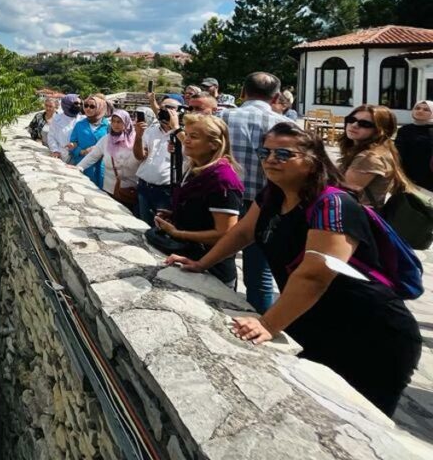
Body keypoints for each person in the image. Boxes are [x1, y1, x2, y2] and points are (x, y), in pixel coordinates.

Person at [166, 123, 421, 417]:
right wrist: (201, 264)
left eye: (284, 153)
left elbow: (315, 275)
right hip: (311, 319)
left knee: (352, 420)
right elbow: (241, 234)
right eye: (266, 152)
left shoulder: (333, 204)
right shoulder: (272, 196)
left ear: (312, 159)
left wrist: (268, 324)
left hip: (371, 333)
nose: (271, 159)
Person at [151, 115, 241, 286]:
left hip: (213, 269)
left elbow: (226, 234)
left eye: (194, 137)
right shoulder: (196, 168)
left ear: (214, 144)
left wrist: (177, 233)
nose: (186, 140)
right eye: (187, 134)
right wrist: (177, 214)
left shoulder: (222, 179)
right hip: (189, 258)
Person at [222, 72, 283, 313]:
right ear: (276, 96)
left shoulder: (224, 115)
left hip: (225, 199)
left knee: (222, 262)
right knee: (259, 274)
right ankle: (259, 321)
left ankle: (224, 310)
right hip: (264, 203)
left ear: (242, 92)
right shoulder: (283, 124)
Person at [337, 105, 410, 207]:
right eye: (351, 119)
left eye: (364, 124)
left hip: (355, 216)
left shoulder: (368, 158)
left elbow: (340, 193)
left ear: (380, 130)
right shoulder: (379, 150)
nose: (354, 125)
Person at [76, 109, 140, 208]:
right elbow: (93, 156)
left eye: (119, 122)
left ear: (126, 122)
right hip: (109, 188)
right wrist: (79, 167)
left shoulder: (136, 140)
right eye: (113, 121)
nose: (115, 124)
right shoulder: (106, 139)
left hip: (129, 189)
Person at [133, 97, 180, 224]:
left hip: (166, 191)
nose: (165, 111)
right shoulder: (151, 130)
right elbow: (139, 156)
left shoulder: (183, 134)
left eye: (170, 108)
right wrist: (138, 136)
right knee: (143, 224)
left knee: (162, 227)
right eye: (163, 108)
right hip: (144, 186)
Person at [68, 95, 109, 188]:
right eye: (86, 105)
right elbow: (73, 144)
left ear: (100, 107)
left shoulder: (108, 126)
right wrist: (81, 151)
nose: (88, 109)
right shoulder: (79, 125)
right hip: (82, 164)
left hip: (101, 166)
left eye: (92, 106)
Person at [395, 100, 433, 193]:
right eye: (417, 108)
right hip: (407, 176)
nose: (420, 111)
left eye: (426, 110)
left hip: (429, 177)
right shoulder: (405, 130)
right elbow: (398, 151)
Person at [46, 94, 81, 159]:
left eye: (80, 103)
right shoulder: (57, 119)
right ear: (67, 104)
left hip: (78, 156)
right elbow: (51, 136)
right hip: (61, 155)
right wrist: (55, 150)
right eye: (76, 103)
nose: (78, 106)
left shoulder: (82, 119)